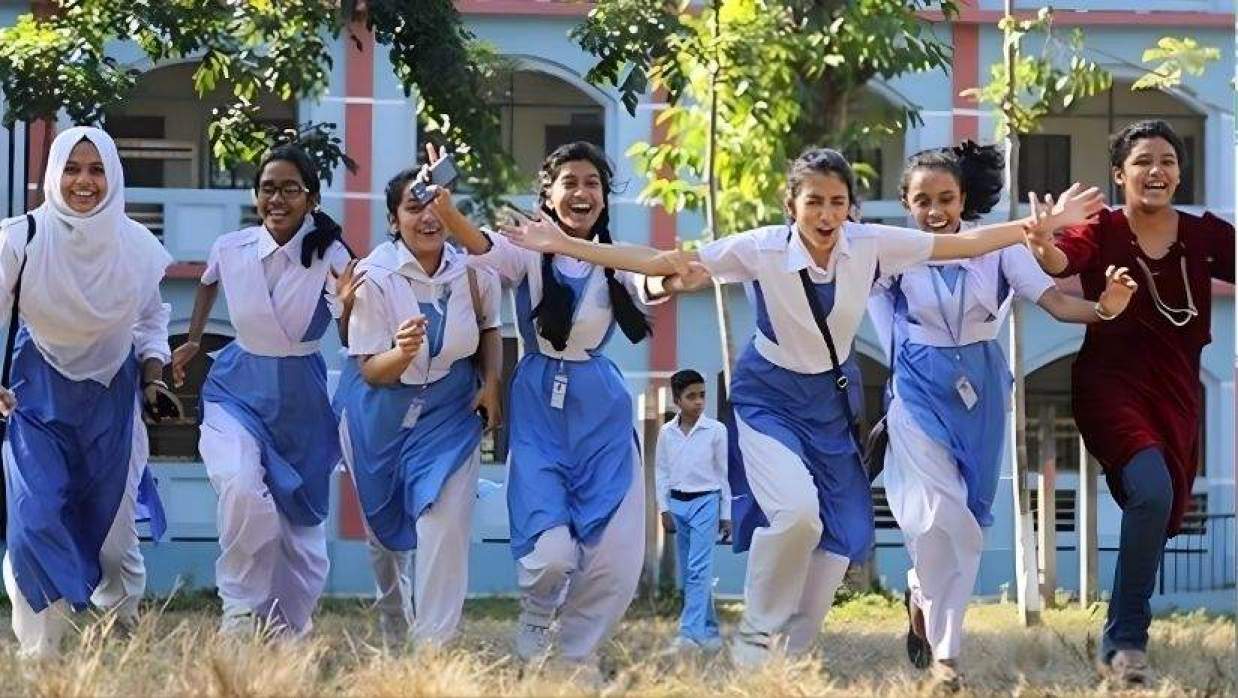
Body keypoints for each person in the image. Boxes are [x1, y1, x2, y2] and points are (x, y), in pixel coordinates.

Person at [493, 146, 1104, 667]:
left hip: (831, 401)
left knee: (841, 538)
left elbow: (966, 242)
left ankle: (791, 652)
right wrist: (568, 246)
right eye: (814, 202)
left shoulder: (871, 243)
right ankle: (756, 638)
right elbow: (668, 264)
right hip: (767, 396)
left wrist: (1039, 228)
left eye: (837, 202)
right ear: (792, 206)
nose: (826, 214)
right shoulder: (761, 248)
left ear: (852, 208)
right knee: (796, 517)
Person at [872, 142, 1136, 691]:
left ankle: (922, 592)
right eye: (922, 201)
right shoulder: (892, 251)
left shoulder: (1001, 250)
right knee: (939, 517)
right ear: (905, 203)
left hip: (982, 392)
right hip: (917, 390)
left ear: (963, 197)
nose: (935, 211)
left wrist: (1104, 308)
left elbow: (1056, 302)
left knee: (967, 519)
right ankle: (947, 658)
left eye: (946, 198)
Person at [428, 141, 668, 676]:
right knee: (551, 551)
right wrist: (446, 209)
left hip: (601, 411)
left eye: (592, 183)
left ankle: (578, 657)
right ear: (549, 195)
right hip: (539, 403)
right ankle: (537, 612)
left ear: (604, 197)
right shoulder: (526, 251)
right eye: (570, 182)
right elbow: (478, 243)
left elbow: (658, 272)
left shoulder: (616, 261)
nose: (582, 192)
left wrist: (584, 249)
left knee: (611, 554)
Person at [1023, 119, 1234, 689]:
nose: (1156, 171)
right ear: (1120, 174)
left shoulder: (1205, 235)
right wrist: (1043, 241)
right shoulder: (1103, 228)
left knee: (1159, 507)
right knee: (1154, 491)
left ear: (1180, 172)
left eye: (1167, 160)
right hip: (1109, 387)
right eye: (1142, 161)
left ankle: (1120, 634)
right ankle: (1125, 642)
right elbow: (1061, 261)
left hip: (1177, 395)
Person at [0, 126, 174, 659]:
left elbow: (151, 322)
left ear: (114, 176)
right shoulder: (19, 240)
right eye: (72, 168)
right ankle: (42, 654)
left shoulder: (138, 249)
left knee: (114, 541)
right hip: (34, 396)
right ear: (54, 173)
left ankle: (120, 627)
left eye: (97, 170)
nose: (84, 181)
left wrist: (154, 375)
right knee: (33, 523)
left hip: (111, 399)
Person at [170, 144, 352, 637]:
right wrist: (193, 338)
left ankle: (285, 629)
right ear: (255, 195)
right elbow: (207, 281)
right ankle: (238, 608)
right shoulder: (231, 247)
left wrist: (349, 306)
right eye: (268, 188)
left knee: (300, 534)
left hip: (300, 396)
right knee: (242, 487)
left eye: (290, 189)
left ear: (311, 197)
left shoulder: (333, 254)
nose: (277, 199)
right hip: (238, 388)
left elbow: (349, 329)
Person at [333, 164, 502, 648]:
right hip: (379, 411)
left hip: (450, 411)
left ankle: (434, 648)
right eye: (413, 207)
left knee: (442, 521)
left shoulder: (475, 270)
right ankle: (393, 615)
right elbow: (370, 370)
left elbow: (491, 328)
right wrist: (402, 353)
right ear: (394, 220)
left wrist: (492, 383)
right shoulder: (373, 275)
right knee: (385, 535)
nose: (427, 217)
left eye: (435, 205)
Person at [655, 368, 731, 653]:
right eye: (691, 396)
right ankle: (710, 632)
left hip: (706, 502)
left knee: (698, 569)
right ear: (677, 400)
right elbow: (661, 471)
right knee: (690, 571)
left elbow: (724, 475)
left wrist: (726, 514)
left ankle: (689, 635)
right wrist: (664, 508)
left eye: (702, 395)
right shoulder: (666, 432)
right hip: (678, 504)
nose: (698, 401)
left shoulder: (716, 431)